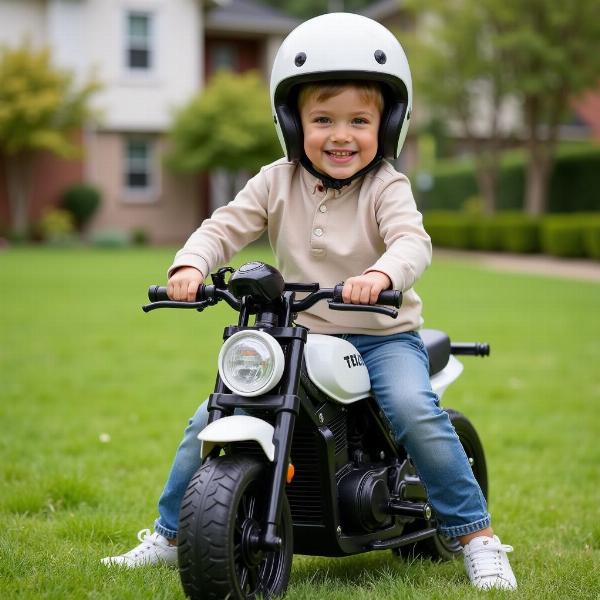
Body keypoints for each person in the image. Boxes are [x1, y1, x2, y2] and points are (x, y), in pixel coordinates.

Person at [101, 13, 517, 591]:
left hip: (381, 335)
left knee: (415, 412)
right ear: (293, 124)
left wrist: (380, 272)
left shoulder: (386, 185)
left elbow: (411, 241)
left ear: (388, 123)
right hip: (299, 335)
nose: (340, 134)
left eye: (358, 121)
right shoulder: (276, 180)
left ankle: (477, 537)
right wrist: (192, 263)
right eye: (323, 119)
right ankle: (172, 536)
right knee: (210, 417)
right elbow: (224, 226)